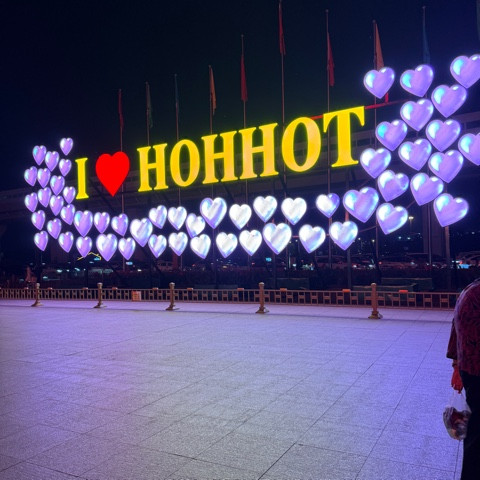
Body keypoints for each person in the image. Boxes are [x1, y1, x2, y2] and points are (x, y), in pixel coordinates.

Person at [447, 278, 480, 480]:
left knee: (475, 433)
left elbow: (455, 330)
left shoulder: (470, 290)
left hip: (469, 370)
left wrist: (456, 366)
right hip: (476, 371)